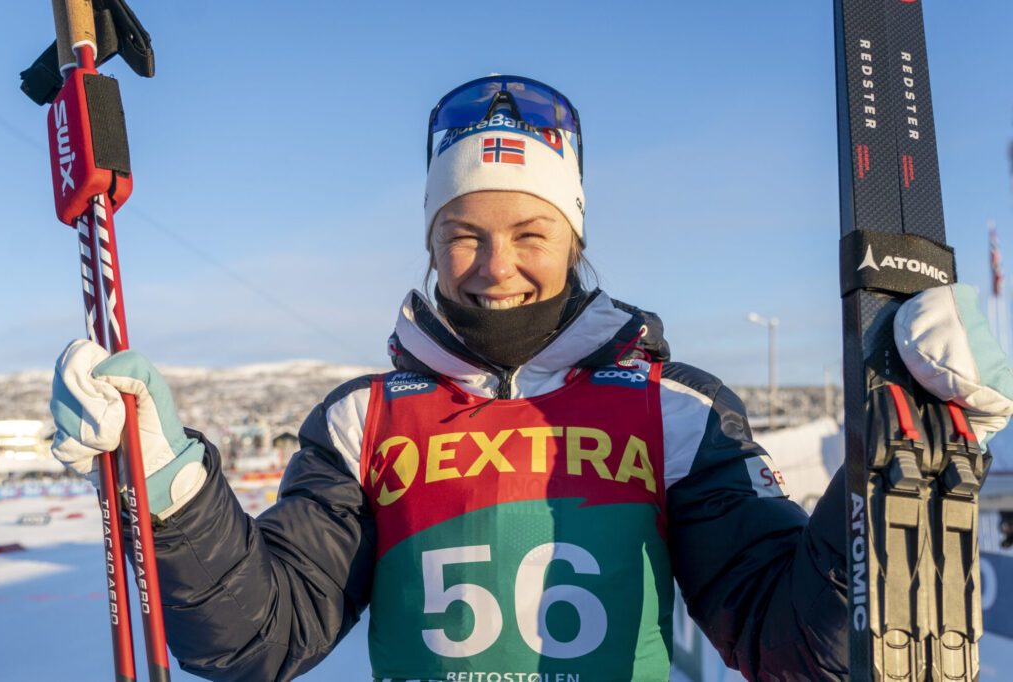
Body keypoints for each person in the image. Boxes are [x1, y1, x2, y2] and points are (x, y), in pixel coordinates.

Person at [50, 75, 1013, 681]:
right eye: (462, 233)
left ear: (575, 236)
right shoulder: (362, 421)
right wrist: (171, 481)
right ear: (431, 241)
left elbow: (788, 643)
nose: (494, 263)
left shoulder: (675, 411)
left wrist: (893, 449)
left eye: (530, 233)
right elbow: (257, 640)